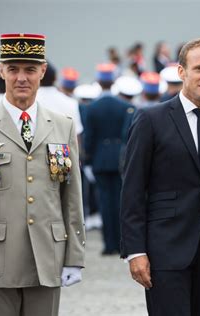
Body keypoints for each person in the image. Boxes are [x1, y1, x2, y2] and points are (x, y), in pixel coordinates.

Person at [120, 37, 200, 316]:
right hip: (165, 249)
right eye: (199, 68)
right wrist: (135, 251)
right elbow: (132, 189)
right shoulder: (150, 119)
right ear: (182, 72)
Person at [0, 33, 85, 316]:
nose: (21, 78)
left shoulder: (62, 126)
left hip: (47, 258)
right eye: (13, 69)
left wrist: (74, 255)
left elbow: (69, 194)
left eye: (29, 69)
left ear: (42, 71)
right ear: (1, 71)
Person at [84, 63, 135, 255]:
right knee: (121, 202)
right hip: (120, 159)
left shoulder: (92, 107)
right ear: (113, 81)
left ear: (99, 81)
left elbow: (89, 137)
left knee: (105, 202)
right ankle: (122, 243)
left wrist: (87, 160)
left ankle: (109, 243)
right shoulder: (125, 106)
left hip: (99, 159)